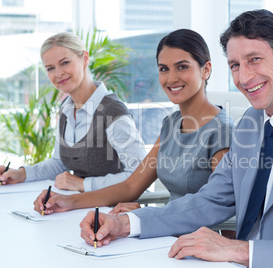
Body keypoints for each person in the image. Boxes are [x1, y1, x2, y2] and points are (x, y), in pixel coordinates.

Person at [79, 9, 273, 267]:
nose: (244, 78)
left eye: (254, 60)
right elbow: (210, 201)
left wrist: (238, 250)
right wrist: (127, 224)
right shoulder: (252, 122)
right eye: (235, 65)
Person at [32, 29, 233, 216]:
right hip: (169, 234)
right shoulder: (171, 124)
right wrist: (69, 202)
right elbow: (131, 186)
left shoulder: (221, 132)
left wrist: (142, 217)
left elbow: (215, 208)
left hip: (194, 241)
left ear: (206, 70)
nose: (171, 78)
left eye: (182, 67)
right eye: (164, 69)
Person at [0, 32, 147, 192]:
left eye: (65, 63)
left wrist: (82, 184)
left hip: (112, 210)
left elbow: (140, 173)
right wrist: (20, 173)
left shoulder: (113, 112)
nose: (58, 73)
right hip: (78, 205)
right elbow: (59, 162)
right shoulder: (66, 109)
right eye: (50, 68)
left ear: (85, 58)